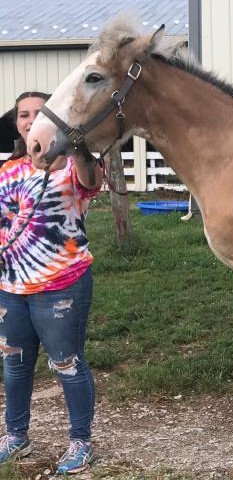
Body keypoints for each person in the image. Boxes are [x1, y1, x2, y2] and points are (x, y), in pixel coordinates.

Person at [0, 91, 103, 473]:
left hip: (61, 285)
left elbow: (92, 180)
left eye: (38, 113)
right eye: (23, 114)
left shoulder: (71, 169)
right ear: (17, 123)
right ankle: (16, 436)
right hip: (10, 289)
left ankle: (81, 441)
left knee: (67, 362)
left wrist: (79, 148)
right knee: (14, 365)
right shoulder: (6, 172)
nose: (30, 120)